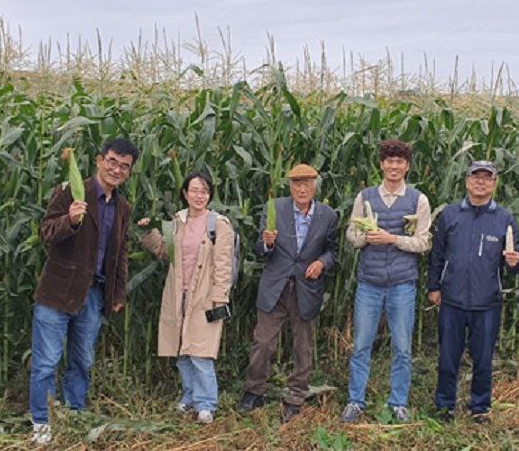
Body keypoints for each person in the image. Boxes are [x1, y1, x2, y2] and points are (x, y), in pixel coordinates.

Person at [28, 138, 139, 445]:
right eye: (112, 161)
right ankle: (42, 422)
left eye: (124, 166)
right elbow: (47, 232)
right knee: (47, 362)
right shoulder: (70, 192)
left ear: (129, 172)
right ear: (99, 160)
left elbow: (121, 253)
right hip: (58, 292)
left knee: (82, 361)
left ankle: (73, 414)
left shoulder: (122, 208)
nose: (117, 169)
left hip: (93, 295)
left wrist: (117, 295)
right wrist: (71, 220)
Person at [237, 163, 340, 423]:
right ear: (290, 186)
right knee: (263, 342)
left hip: (307, 288)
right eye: (296, 183)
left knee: (302, 346)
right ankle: (254, 390)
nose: (302, 188)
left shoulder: (328, 215)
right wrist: (266, 243)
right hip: (275, 287)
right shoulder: (275, 208)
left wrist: (321, 263)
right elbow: (259, 250)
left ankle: (295, 397)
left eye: (307, 183)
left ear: (315, 185)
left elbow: (333, 251)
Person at [340, 140, 432, 423]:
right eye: (389, 161)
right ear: (381, 164)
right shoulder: (365, 197)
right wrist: (365, 237)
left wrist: (393, 239)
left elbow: (424, 242)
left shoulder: (419, 200)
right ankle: (356, 401)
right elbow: (351, 236)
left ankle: (398, 402)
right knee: (361, 345)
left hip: (402, 283)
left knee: (402, 347)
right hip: (369, 282)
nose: (394, 166)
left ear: (407, 166)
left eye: (400, 162)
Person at [426, 160, 519, 424]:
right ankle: (444, 405)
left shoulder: (504, 218)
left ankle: (480, 407)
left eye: (487, 178)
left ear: (494, 183)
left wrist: (515, 263)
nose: (481, 182)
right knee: (447, 358)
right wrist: (434, 286)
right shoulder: (450, 215)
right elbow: (437, 254)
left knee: (483, 361)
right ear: (467, 181)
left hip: (487, 301)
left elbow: (516, 260)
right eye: (475, 177)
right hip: (452, 300)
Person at [137, 172, 234, 424]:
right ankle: (189, 396)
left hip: (205, 296)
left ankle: (206, 404)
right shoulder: (176, 222)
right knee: (181, 349)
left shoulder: (219, 224)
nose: (199, 195)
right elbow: (163, 252)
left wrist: (220, 297)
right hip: (177, 293)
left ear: (210, 194)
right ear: (185, 193)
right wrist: (149, 231)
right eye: (194, 190)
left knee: (201, 352)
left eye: (204, 191)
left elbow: (224, 264)